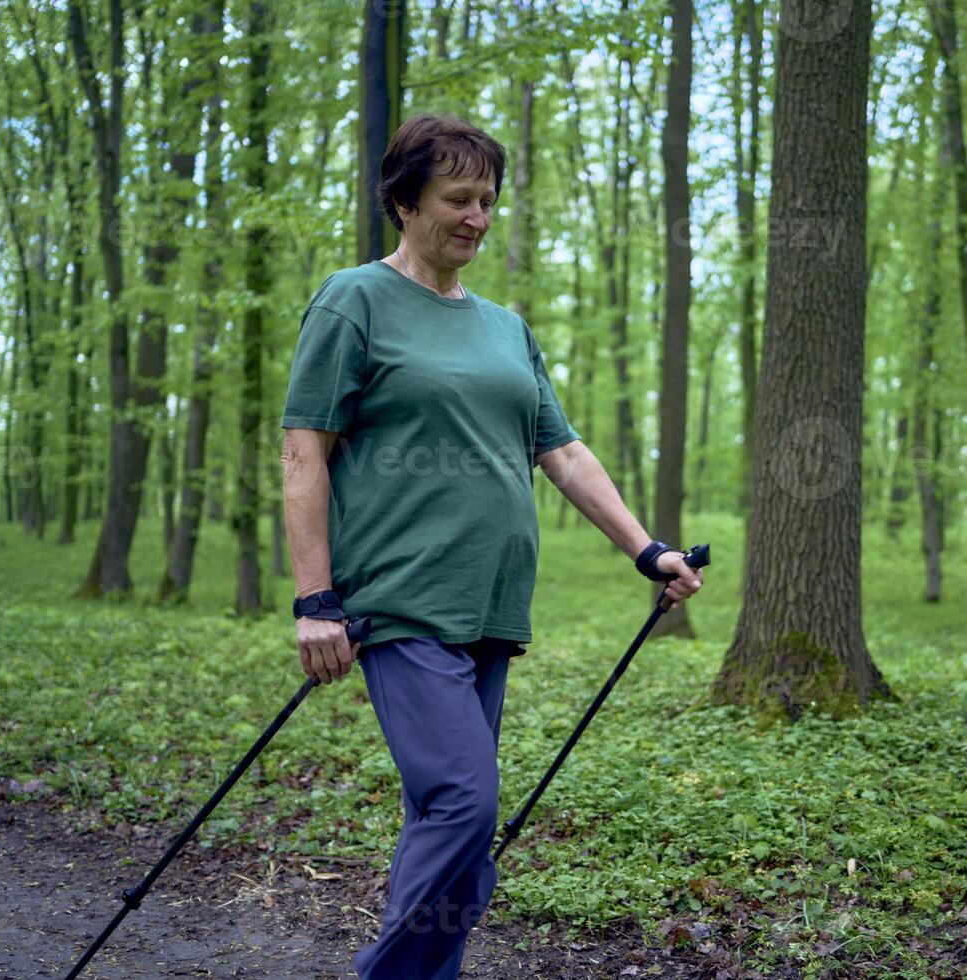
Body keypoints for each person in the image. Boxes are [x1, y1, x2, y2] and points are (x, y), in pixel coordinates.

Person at [279, 113, 705, 980]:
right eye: (457, 199)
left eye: (488, 201)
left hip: (491, 606)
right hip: (398, 602)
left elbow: (565, 452)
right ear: (404, 202)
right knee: (466, 804)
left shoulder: (506, 328)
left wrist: (643, 548)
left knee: (440, 814)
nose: (477, 217)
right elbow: (303, 449)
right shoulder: (354, 299)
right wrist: (315, 599)